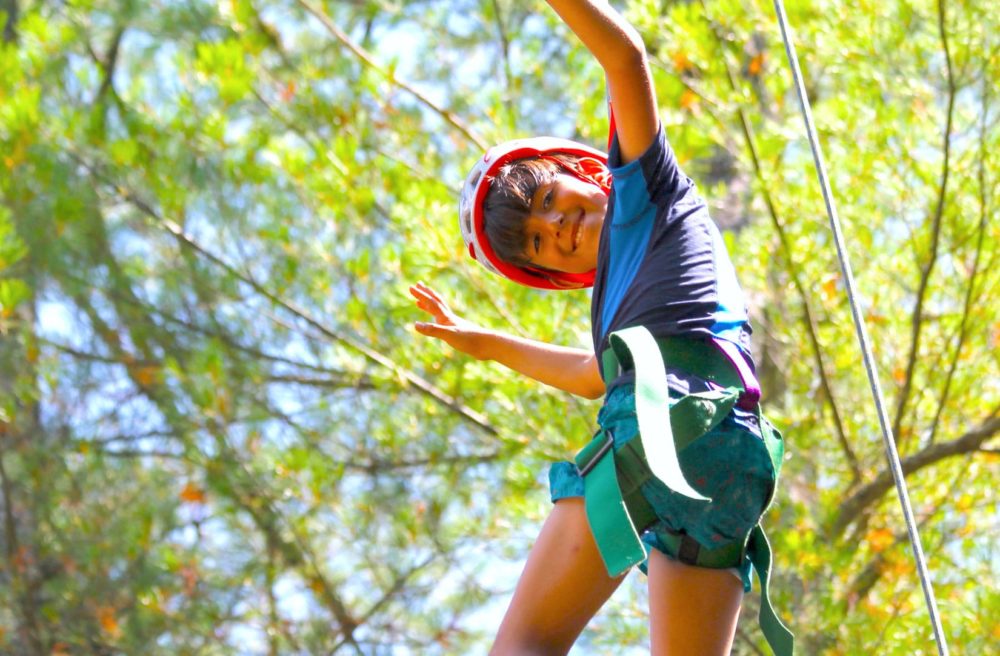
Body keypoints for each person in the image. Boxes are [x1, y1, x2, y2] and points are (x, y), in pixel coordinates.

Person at [410, 1, 793, 654]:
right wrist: (483, 344)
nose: (554, 223)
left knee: (526, 641)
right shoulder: (622, 304)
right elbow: (591, 376)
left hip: (664, 430)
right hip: (726, 460)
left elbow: (625, 57)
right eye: (536, 235)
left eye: (552, 199)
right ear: (548, 268)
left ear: (588, 173)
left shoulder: (647, 195)